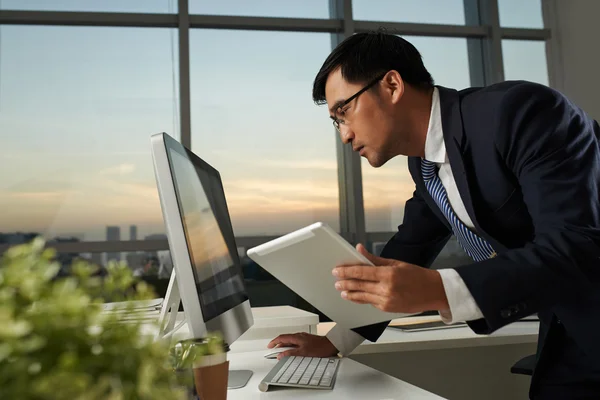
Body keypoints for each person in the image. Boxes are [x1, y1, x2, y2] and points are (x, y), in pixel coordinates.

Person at [267, 31, 600, 399]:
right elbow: (408, 248)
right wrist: (337, 341)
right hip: (570, 327)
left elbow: (575, 245)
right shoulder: (426, 167)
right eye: (335, 121)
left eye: (344, 111)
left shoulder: (520, 112)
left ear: (392, 85)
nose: (344, 135)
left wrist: (438, 289)